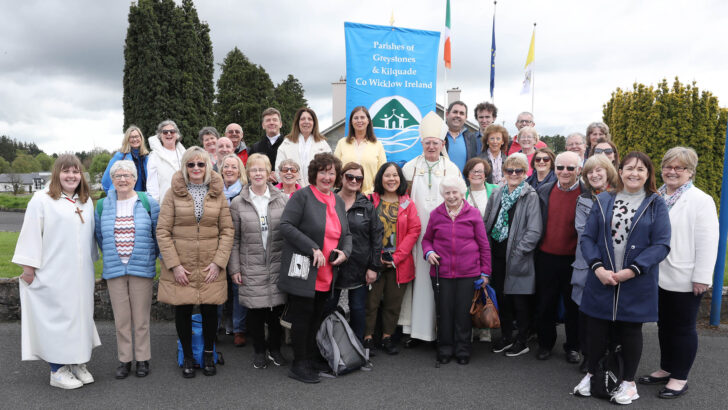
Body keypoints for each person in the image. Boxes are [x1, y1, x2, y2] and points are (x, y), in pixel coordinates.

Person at [574, 151, 671, 405]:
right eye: (629, 168)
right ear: (620, 171)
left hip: (636, 280)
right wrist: (597, 268)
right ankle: (592, 374)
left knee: (630, 330)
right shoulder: (604, 199)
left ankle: (628, 383)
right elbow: (587, 237)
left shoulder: (655, 203)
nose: (634, 173)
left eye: (640, 169)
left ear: (648, 174)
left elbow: (661, 245)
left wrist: (632, 271)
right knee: (596, 329)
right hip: (602, 277)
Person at [13, 154, 101, 389]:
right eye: (66, 171)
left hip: (81, 274)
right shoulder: (41, 200)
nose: (71, 176)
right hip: (53, 272)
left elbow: (89, 237)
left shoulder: (85, 201)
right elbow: (31, 235)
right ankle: (56, 369)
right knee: (57, 320)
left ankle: (77, 362)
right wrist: (28, 269)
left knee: (80, 318)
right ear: (57, 174)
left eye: (75, 171)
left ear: (81, 175)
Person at [638, 147, 719, 399]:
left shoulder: (700, 200)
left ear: (690, 172)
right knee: (664, 325)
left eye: (679, 168)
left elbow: (708, 241)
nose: (672, 171)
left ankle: (680, 377)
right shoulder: (655, 196)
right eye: (668, 166)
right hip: (656, 275)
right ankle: (666, 368)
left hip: (685, 277)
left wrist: (702, 277)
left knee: (683, 328)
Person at [156, 147, 234, 378]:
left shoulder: (217, 194)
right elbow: (162, 231)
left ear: (208, 166)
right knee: (183, 311)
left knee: (211, 311)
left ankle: (208, 354)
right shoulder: (172, 194)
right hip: (183, 265)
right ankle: (188, 356)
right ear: (185, 167)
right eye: (191, 165)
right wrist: (175, 265)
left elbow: (228, 230)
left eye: (201, 164)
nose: (196, 169)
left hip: (211, 265)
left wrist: (219, 263)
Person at [277, 153, 352, 384]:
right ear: (314, 174)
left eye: (331, 173)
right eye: (323, 172)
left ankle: (309, 358)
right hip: (304, 269)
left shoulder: (337, 200)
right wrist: (312, 248)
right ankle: (299, 364)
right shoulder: (302, 196)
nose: (327, 177)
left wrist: (345, 252)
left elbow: (346, 234)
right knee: (303, 317)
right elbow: (286, 226)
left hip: (327, 271)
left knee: (317, 316)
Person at [400, 111, 463, 345]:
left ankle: (439, 332)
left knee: (441, 282)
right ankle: (415, 331)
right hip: (415, 236)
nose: (431, 146)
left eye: (435, 143)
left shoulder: (452, 168)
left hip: (443, 235)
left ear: (442, 144)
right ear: (421, 143)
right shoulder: (410, 168)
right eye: (427, 143)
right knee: (417, 280)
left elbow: (460, 201)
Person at [95, 160, 160, 379]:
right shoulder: (103, 205)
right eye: (118, 176)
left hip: (141, 267)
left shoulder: (147, 202)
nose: (122, 179)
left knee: (141, 319)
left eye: (127, 175)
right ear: (112, 180)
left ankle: (142, 359)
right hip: (115, 269)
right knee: (121, 319)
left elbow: (157, 235)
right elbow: (100, 236)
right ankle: (124, 360)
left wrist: (156, 258)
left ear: (134, 179)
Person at [229, 153, 289, 369]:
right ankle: (259, 351)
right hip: (250, 265)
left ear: (268, 173)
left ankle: (275, 349)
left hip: (276, 263)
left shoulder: (282, 199)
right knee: (255, 312)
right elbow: (233, 239)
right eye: (253, 170)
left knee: (275, 313)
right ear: (248, 173)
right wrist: (234, 268)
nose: (257, 173)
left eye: (261, 170)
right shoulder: (238, 202)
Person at [422, 175, 491, 365]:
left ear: (462, 193)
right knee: (443, 313)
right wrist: (428, 252)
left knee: (462, 313)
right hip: (441, 273)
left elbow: (484, 245)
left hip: (468, 274)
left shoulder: (473, 214)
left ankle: (462, 350)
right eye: (447, 193)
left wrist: (485, 272)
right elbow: (427, 239)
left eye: (454, 192)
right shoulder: (436, 214)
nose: (451, 196)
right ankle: (444, 349)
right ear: (442, 194)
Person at [483, 153, 542, 358]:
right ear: (505, 172)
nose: (514, 174)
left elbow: (534, 231)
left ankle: (522, 340)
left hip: (518, 256)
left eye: (519, 170)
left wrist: (518, 252)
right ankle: (506, 336)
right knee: (502, 297)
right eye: (510, 170)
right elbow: (487, 221)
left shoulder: (530, 196)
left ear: (525, 173)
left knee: (519, 300)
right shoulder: (497, 193)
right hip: (497, 254)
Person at [365, 162, 421, 355]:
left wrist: (397, 257)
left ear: (400, 179)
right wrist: (374, 257)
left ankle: (387, 337)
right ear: (380, 178)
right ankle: (368, 338)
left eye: (395, 175)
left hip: (399, 263)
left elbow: (414, 231)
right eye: (387, 175)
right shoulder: (370, 200)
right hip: (374, 262)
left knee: (393, 303)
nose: (391, 179)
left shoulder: (407, 203)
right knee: (370, 302)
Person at [570, 154, 618, 373]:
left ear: (608, 171)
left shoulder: (620, 196)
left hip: (614, 264)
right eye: (590, 171)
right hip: (587, 263)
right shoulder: (584, 199)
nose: (595, 174)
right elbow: (583, 232)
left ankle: (608, 355)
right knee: (585, 313)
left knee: (608, 313)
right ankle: (588, 356)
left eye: (599, 170)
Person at [534, 151, 584, 362]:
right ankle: (545, 344)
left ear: (579, 170)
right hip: (546, 257)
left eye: (570, 168)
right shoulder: (544, 190)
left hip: (573, 260)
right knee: (545, 303)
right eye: (560, 167)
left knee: (573, 306)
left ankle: (572, 346)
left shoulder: (587, 193)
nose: (565, 172)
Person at [325, 162, 383, 344]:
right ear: (341, 177)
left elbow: (377, 238)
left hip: (359, 266)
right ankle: (326, 346)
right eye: (349, 176)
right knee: (328, 308)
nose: (353, 181)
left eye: (358, 178)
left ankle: (357, 348)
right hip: (331, 266)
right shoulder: (329, 201)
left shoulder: (367, 206)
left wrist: (374, 267)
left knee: (358, 309)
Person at [463, 157, 498, 343]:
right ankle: (469, 325)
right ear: (467, 174)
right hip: (468, 247)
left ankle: (485, 326)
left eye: (480, 171)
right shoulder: (462, 193)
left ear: (486, 175)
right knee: (469, 287)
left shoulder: (495, 191)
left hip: (489, 245)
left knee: (486, 286)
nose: (477, 174)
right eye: (473, 171)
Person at [219, 154, 248, 346]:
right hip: (218, 243)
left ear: (240, 171)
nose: (230, 170)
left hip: (240, 244)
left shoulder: (245, 192)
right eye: (226, 166)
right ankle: (216, 326)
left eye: (234, 167)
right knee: (218, 287)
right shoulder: (213, 190)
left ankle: (239, 329)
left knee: (238, 287)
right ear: (221, 170)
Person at [333, 106, 387, 195]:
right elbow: (335, 170)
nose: (359, 121)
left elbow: (382, 173)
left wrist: (371, 191)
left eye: (362, 117)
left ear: (368, 121)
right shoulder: (341, 143)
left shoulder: (378, 145)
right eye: (356, 118)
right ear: (351, 121)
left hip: (370, 196)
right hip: (344, 196)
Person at [275, 107, 332, 186]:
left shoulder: (323, 144)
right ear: (297, 122)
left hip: (316, 191)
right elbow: (279, 170)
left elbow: (329, 171)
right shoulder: (286, 143)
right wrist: (292, 188)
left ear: (314, 123)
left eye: (310, 119)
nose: (306, 122)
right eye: (302, 119)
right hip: (292, 192)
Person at [102, 125, 149, 193]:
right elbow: (106, 180)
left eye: (137, 136)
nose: (135, 139)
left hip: (144, 197)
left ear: (141, 138)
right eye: (131, 137)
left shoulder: (146, 157)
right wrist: (113, 195)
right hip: (126, 197)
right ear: (127, 139)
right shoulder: (120, 156)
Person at [147, 120, 186, 202]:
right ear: (160, 136)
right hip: (165, 203)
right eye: (165, 132)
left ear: (177, 135)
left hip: (185, 202)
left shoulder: (185, 154)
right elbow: (152, 185)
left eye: (172, 131)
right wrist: (155, 205)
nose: (169, 134)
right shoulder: (154, 156)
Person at [250, 107, 285, 181]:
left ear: (280, 124)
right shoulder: (255, 148)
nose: (271, 122)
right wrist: (265, 177)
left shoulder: (288, 145)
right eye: (268, 120)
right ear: (263, 125)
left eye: (275, 120)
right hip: (261, 189)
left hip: (284, 189)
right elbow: (250, 170)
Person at [443, 101, 479, 171]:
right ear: (447, 114)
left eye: (461, 113)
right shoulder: (438, 136)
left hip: (464, 182)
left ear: (465, 117)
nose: (458, 115)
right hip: (442, 181)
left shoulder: (471, 138)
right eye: (455, 112)